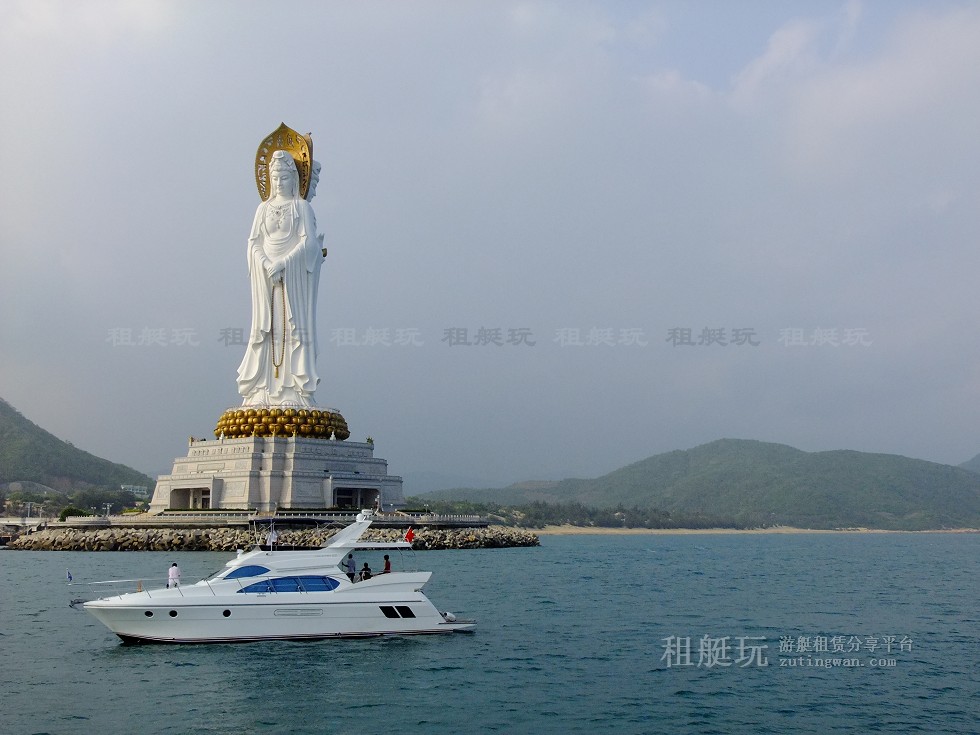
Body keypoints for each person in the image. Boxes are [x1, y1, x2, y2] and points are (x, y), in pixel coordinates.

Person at [237, 149, 326, 407]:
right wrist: (265, 263)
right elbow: (253, 244)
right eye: (274, 178)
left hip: (293, 279)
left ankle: (294, 392)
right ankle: (262, 390)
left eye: (284, 178)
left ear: (295, 179)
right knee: (266, 330)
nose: (278, 183)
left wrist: (284, 264)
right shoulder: (262, 209)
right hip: (266, 279)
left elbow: (308, 244)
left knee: (292, 330)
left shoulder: (301, 208)